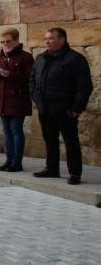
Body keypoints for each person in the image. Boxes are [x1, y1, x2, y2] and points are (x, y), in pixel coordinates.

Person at [29, 27, 93, 185]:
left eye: (51, 38)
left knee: (70, 141)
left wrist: (77, 108)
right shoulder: (41, 58)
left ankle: (74, 173)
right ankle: (51, 168)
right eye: (46, 38)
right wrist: (36, 98)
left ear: (62, 40)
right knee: (49, 140)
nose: (47, 41)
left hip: (65, 109)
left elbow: (84, 86)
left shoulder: (74, 59)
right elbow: (32, 80)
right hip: (45, 107)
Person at [0, 28, 34, 172]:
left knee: (16, 130)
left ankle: (17, 162)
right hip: (3, 99)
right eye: (2, 42)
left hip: (17, 99)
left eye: (8, 41)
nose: (5, 44)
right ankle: (9, 159)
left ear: (16, 41)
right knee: (7, 131)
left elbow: (29, 78)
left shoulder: (25, 57)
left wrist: (9, 74)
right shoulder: (2, 56)